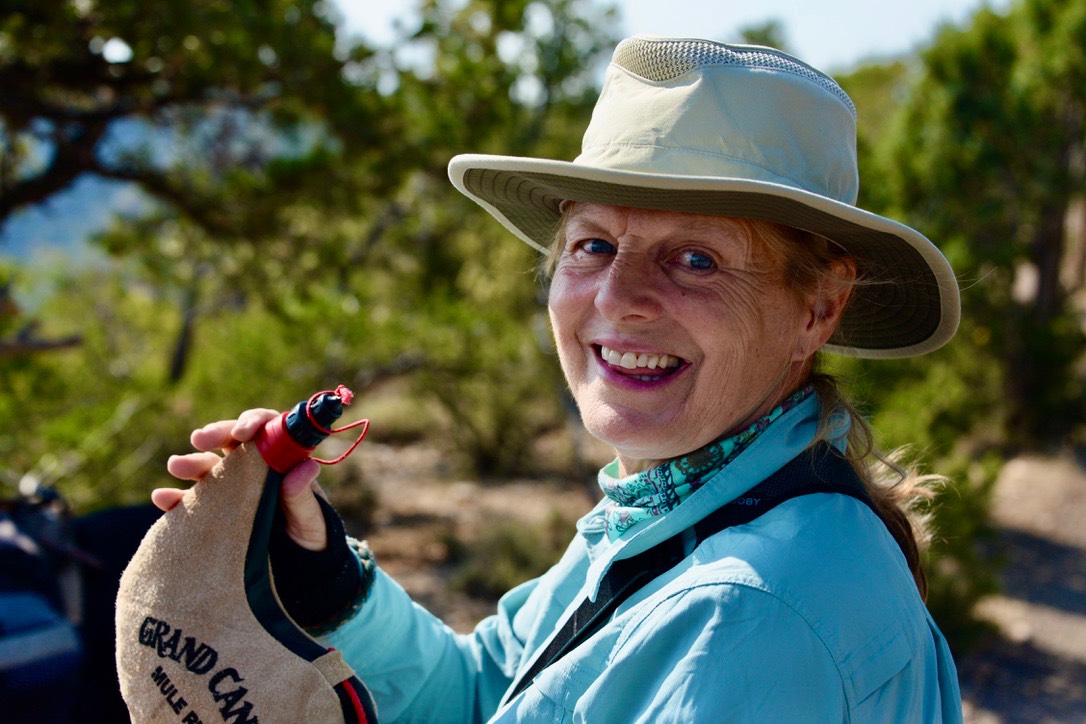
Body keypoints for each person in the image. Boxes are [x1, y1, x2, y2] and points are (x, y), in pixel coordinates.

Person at [159, 36, 964, 721]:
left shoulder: (746, 611)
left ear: (818, 309)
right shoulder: (683, 509)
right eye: (593, 245)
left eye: (695, 259)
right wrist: (323, 570)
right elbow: (483, 694)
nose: (620, 299)